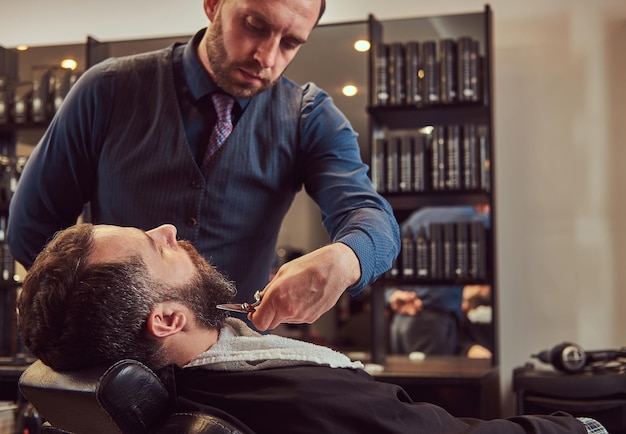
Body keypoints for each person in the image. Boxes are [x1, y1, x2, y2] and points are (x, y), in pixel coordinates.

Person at [6, 0, 400, 332]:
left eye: (291, 43)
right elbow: (31, 230)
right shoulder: (108, 89)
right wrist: (98, 317)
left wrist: (347, 257)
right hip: (112, 357)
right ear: (213, 4)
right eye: (254, 25)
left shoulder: (308, 116)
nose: (267, 57)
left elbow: (368, 215)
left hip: (236, 359)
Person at [17, 223, 606, 434]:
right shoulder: (305, 400)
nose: (170, 228)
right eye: (155, 245)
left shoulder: (186, 382)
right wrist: (584, 425)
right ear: (168, 319)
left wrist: (350, 256)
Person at [387, 205, 491, 357]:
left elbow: (387, 257)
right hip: (431, 321)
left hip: (401, 321)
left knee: (405, 378)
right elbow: (503, 227)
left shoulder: (418, 216)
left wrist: (391, 294)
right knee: (429, 380)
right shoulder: (473, 217)